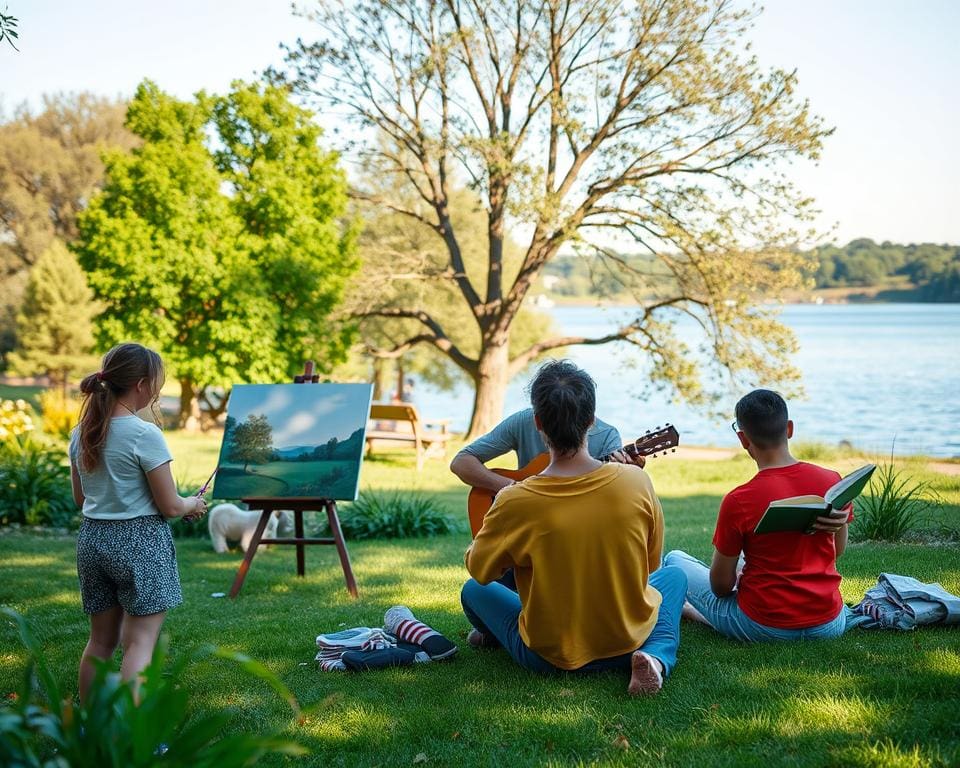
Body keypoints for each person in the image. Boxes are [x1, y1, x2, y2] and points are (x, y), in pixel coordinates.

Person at [460, 360, 686, 695]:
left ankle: (496, 633)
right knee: (674, 576)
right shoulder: (637, 480)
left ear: (538, 422)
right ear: (591, 419)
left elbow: (480, 571)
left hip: (548, 655)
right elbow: (650, 565)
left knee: (473, 591)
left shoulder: (514, 501)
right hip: (626, 639)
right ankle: (654, 657)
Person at [70, 342, 207, 703]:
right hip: (139, 544)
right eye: (158, 384)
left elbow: (81, 499)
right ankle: (131, 735)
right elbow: (171, 506)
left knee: (100, 642)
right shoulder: (145, 434)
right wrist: (192, 503)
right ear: (142, 385)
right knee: (140, 643)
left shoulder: (81, 431)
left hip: (92, 541)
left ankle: (89, 727)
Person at [663, 389, 851, 642]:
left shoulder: (739, 500)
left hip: (764, 627)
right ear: (790, 429)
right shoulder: (831, 481)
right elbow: (837, 551)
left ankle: (692, 612)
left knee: (675, 559)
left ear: (743, 439)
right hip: (829, 624)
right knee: (742, 561)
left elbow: (720, 588)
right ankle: (695, 612)